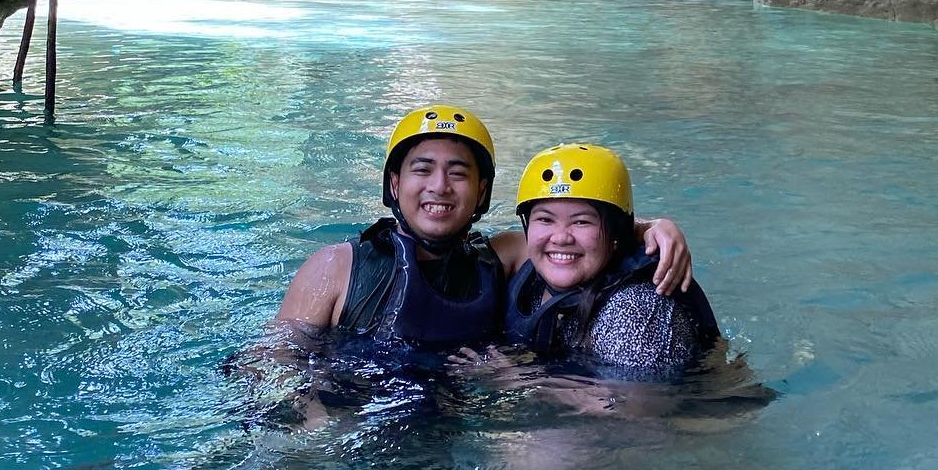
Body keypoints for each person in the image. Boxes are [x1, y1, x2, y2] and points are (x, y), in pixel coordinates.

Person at [273, 106, 691, 352]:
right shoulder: (337, 267)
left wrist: (651, 227)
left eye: (458, 174)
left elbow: (575, 238)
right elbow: (272, 363)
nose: (440, 186)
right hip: (351, 421)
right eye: (423, 170)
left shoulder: (501, 255)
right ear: (396, 185)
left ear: (481, 192)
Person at [502, 142, 721, 378]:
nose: (561, 238)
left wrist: (522, 380)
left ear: (617, 233)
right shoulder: (531, 274)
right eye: (545, 219)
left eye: (581, 222)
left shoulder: (635, 310)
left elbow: (637, 408)